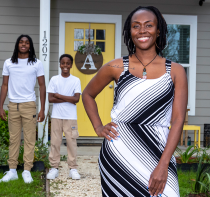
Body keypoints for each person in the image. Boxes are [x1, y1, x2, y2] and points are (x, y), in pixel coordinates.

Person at [82, 6, 187, 197]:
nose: (142, 31)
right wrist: (98, 127)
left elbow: (178, 120)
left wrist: (163, 165)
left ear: (159, 30)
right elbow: (87, 94)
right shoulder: (115, 66)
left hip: (158, 152)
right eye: (136, 26)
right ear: (129, 32)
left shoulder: (176, 71)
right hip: (119, 154)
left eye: (149, 25)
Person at [0, 34, 46, 183]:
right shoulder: (9, 63)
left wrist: (42, 109)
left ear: (30, 46)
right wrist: (0, 106)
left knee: (30, 140)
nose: (23, 44)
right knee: (13, 139)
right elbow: (4, 85)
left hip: (29, 105)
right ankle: (12, 171)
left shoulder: (36, 63)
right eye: (21, 42)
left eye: (26, 42)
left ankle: (27, 170)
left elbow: (42, 86)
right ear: (17, 45)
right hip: (13, 105)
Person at [46, 54, 82, 180]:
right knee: (55, 142)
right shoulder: (54, 79)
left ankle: (73, 168)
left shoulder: (76, 80)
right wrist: (68, 98)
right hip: (56, 116)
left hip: (70, 117)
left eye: (68, 63)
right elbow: (50, 98)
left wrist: (59, 95)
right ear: (60, 64)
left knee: (71, 142)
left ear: (71, 65)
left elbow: (76, 99)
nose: (65, 66)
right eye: (63, 63)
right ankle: (54, 167)